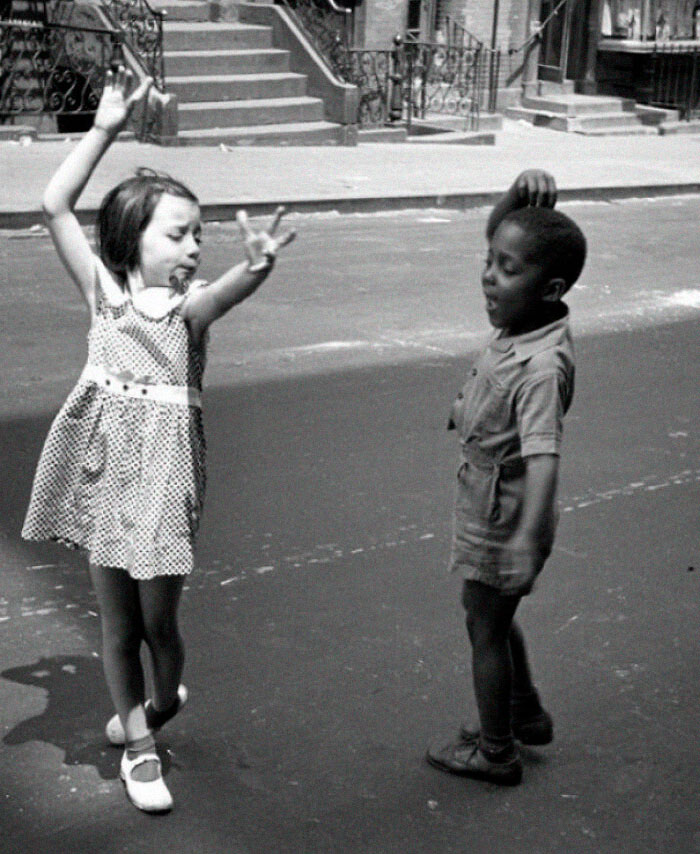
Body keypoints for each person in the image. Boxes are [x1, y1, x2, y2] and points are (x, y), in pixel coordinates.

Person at [21, 66, 295, 813]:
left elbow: (223, 291)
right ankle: (141, 750)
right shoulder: (104, 300)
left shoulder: (187, 316)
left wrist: (256, 264)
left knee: (158, 626)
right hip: (107, 474)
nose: (193, 246)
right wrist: (105, 127)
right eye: (177, 234)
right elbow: (53, 204)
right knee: (114, 625)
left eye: (198, 234)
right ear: (128, 241)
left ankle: (163, 696)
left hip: (165, 480)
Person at [426, 170, 586, 786]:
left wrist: (523, 536)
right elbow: (502, 230)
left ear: (547, 288)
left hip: (505, 511)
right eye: (490, 262)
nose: (490, 276)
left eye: (507, 268)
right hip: (490, 499)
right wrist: (517, 198)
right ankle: (524, 711)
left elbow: (545, 455)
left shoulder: (540, 366)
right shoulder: (527, 319)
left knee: (484, 624)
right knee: (489, 613)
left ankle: (496, 751)